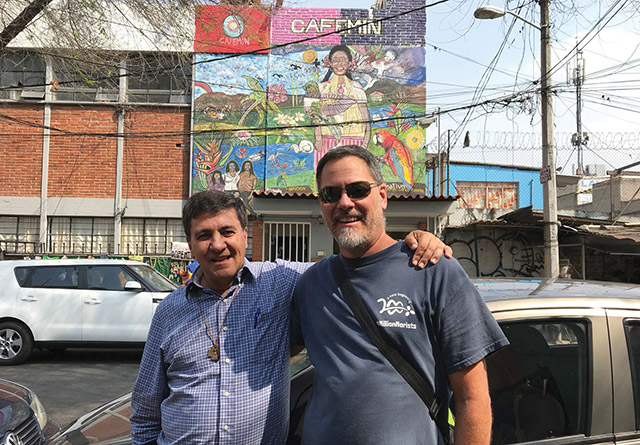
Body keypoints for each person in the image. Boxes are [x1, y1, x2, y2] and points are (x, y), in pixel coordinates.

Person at [130, 190, 451, 444]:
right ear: (190, 243)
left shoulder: (279, 282)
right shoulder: (169, 310)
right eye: (204, 235)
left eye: (227, 231)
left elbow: (358, 268)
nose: (217, 245)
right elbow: (145, 412)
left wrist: (409, 246)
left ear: (244, 234)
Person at [291, 145, 509, 444]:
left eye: (357, 190)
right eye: (331, 194)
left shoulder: (433, 270)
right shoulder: (311, 284)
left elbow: (473, 399)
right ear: (321, 203)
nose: (344, 202)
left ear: (381, 196)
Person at [310, 45, 370, 171]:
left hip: (354, 139)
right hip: (328, 139)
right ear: (330, 64)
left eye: (343, 59)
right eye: (335, 60)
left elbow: (365, 117)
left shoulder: (356, 88)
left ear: (349, 63)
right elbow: (317, 115)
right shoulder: (322, 88)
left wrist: (365, 141)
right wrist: (318, 138)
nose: (339, 63)